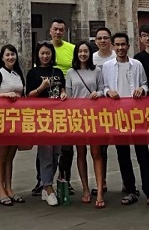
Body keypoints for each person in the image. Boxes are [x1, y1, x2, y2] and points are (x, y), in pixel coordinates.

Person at [102, 33, 149, 210]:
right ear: (113, 46)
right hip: (118, 115)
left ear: (128, 46)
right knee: (123, 154)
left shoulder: (137, 64)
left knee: (143, 153)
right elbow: (104, 86)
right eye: (117, 45)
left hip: (136, 114)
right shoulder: (107, 66)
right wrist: (108, 92)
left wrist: (142, 89)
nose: (120, 48)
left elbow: (145, 83)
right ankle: (130, 190)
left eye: (123, 44)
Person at [26, 41, 67, 206]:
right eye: (42, 53)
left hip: (58, 117)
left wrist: (63, 93)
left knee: (56, 152)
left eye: (48, 53)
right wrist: (41, 88)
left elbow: (62, 87)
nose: (45, 56)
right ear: (37, 55)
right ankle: (48, 186)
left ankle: (45, 185)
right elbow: (28, 96)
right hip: (41, 118)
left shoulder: (57, 71)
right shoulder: (33, 73)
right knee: (46, 152)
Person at [66, 41, 106, 208]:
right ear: (76, 54)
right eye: (80, 51)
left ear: (90, 53)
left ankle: (100, 191)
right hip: (77, 118)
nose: (83, 54)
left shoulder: (97, 71)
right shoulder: (70, 72)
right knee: (80, 153)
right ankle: (85, 189)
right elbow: (68, 96)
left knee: (96, 153)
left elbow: (103, 89)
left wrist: (98, 93)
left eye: (86, 51)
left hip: (94, 116)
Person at [0, 44, 25, 206]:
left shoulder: (18, 74)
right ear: (2, 58)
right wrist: (5, 95)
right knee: (1, 156)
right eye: (7, 55)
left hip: (16, 120)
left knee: (10, 156)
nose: (11, 57)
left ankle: (9, 188)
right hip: (1, 119)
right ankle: (1, 190)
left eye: (13, 54)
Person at [49, 19, 75, 194]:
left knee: (67, 146)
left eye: (61, 30)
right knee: (46, 144)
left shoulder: (71, 49)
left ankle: (65, 178)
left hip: (68, 100)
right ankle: (43, 181)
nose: (58, 32)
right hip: (49, 102)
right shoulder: (45, 48)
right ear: (50, 31)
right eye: (55, 29)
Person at [90, 26, 115, 196]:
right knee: (100, 148)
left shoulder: (116, 56)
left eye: (105, 38)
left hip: (116, 106)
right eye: (99, 38)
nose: (103, 41)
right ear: (95, 41)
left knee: (123, 146)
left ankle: (128, 183)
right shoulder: (92, 59)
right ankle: (102, 181)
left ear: (110, 40)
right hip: (97, 109)